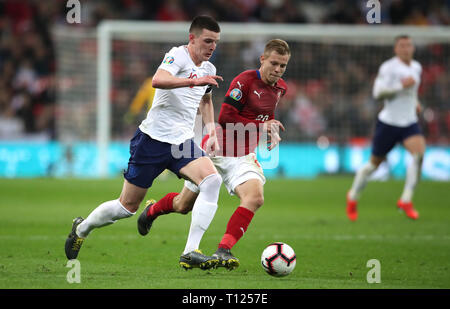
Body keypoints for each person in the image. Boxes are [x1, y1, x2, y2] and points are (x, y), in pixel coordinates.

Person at [65, 15, 224, 270]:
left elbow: (205, 99)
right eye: (207, 41)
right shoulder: (178, 55)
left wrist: (211, 131)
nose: (212, 47)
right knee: (126, 207)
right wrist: (192, 81)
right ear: (192, 38)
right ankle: (82, 228)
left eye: (215, 42)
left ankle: (190, 251)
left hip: (181, 143)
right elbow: (158, 80)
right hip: (151, 141)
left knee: (212, 180)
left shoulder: (209, 69)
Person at [137, 39, 290, 270]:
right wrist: (261, 127)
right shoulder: (244, 81)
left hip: (244, 156)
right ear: (263, 59)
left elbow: (261, 117)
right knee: (182, 205)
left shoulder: (281, 89)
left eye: (283, 66)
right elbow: (226, 118)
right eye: (274, 63)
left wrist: (270, 129)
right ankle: (152, 210)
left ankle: (223, 249)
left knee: (255, 198)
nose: (278, 70)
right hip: (216, 151)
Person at [346, 35, 425, 221]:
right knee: (372, 166)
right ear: (395, 49)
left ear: (413, 48)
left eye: (409, 45)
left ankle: (406, 200)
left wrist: (416, 102)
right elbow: (377, 93)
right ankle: (353, 197)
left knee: (419, 155)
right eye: (402, 46)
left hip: (409, 122)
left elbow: (412, 92)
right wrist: (400, 86)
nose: (406, 48)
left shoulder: (417, 68)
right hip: (389, 123)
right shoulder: (388, 68)